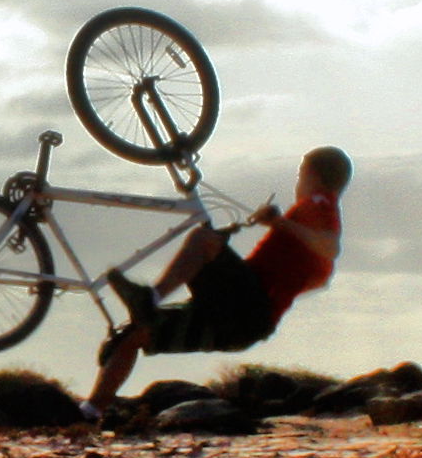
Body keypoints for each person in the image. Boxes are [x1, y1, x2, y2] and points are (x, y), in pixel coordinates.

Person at [82, 145, 349, 417]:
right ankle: (91, 410)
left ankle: (149, 299)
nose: (298, 182)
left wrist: (280, 224)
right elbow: (319, 274)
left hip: (251, 308)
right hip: (239, 324)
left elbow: (331, 247)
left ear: (312, 174)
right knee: (136, 332)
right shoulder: (314, 215)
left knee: (204, 241)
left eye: (300, 174)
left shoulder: (319, 201)